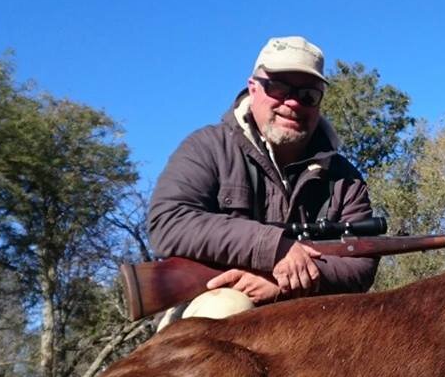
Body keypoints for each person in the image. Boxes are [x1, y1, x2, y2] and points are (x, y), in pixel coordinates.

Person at [148, 36, 379, 327]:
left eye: (308, 95)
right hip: (213, 304)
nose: (293, 102)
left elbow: (360, 264)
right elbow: (169, 222)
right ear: (253, 87)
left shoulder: (345, 178)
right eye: (279, 87)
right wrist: (275, 248)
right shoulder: (206, 147)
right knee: (226, 310)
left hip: (307, 315)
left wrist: (282, 282)